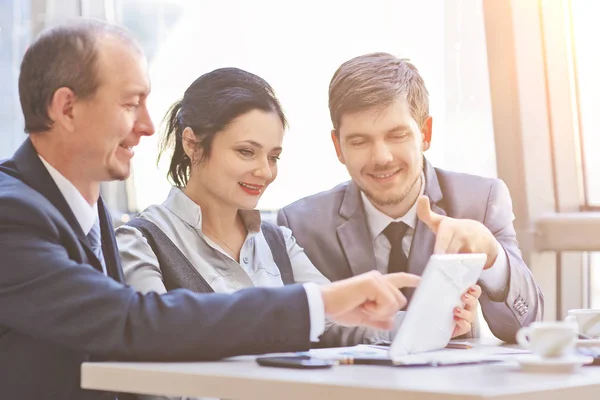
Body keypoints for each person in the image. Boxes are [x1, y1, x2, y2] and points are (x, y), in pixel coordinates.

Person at [0, 21, 419, 400]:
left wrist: (414, 324)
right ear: (66, 108)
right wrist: (317, 301)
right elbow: (136, 323)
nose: (148, 126)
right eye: (130, 104)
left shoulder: (88, 210)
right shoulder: (13, 214)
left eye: (272, 155)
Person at [116, 67, 480, 350]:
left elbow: (337, 319)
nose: (264, 171)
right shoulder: (140, 241)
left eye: (273, 156)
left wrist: (435, 323)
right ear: (193, 145)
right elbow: (157, 343)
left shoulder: (277, 241)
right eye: (246, 151)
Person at [278, 52, 544, 343]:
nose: (381, 157)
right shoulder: (302, 225)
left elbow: (527, 327)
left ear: (425, 133)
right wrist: (435, 328)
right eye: (359, 141)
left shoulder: (480, 201)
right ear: (338, 147)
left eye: (397, 135)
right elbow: (311, 331)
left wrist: (492, 255)